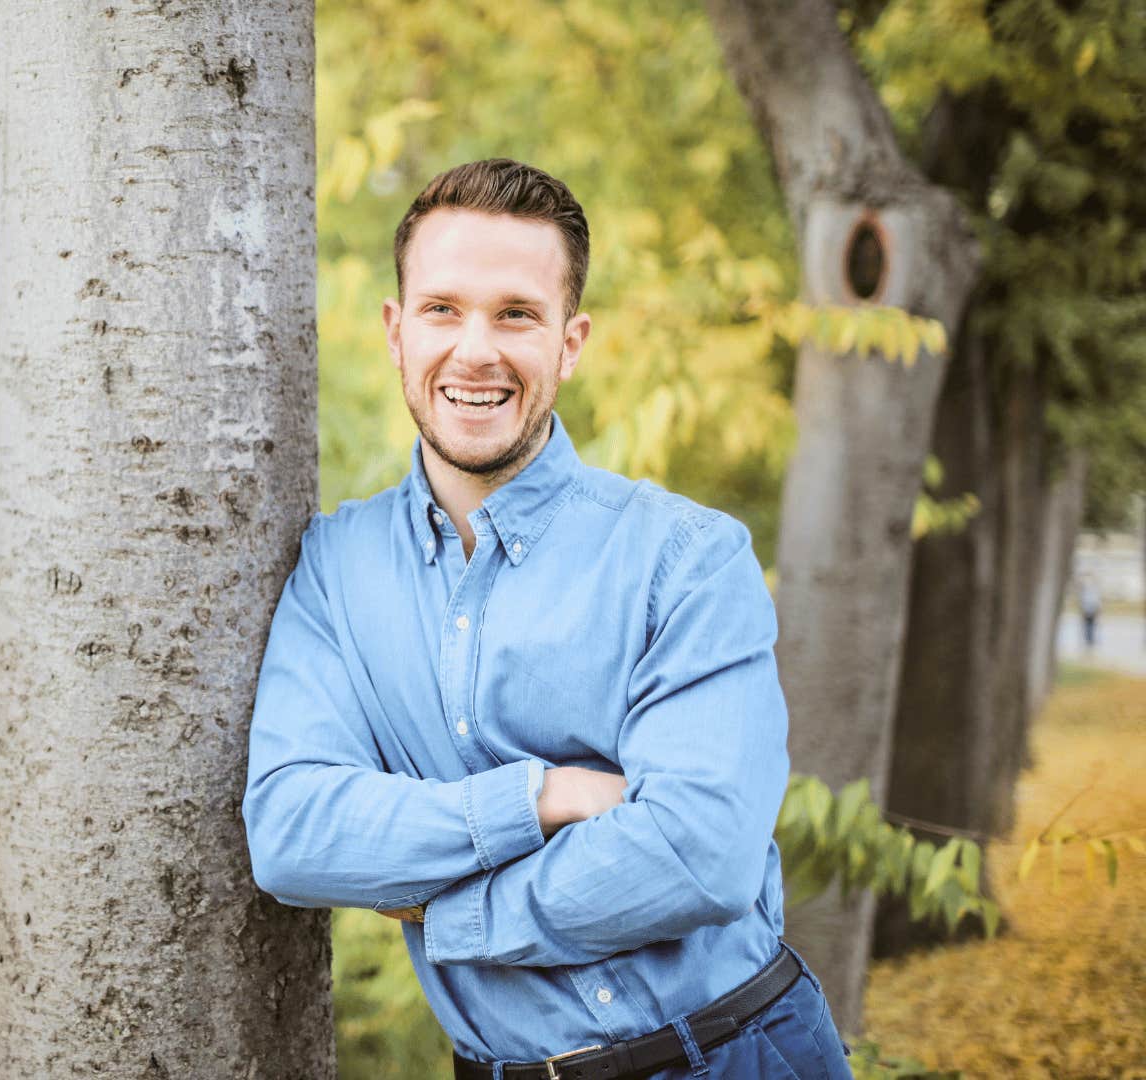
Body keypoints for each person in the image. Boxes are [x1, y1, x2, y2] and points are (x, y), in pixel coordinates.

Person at [241, 158, 855, 1079]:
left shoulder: (685, 559)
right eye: (443, 309)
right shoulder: (334, 569)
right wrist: (541, 797)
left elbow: (699, 857)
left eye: (516, 314)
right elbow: (292, 832)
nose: (475, 350)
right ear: (396, 332)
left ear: (570, 343)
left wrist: (448, 913)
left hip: (734, 1053)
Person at [1078, 574, 1101, 649]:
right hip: (1088, 610)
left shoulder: (1091, 590)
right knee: (1088, 626)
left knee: (1090, 626)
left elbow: (1096, 602)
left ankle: (1089, 640)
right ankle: (1088, 640)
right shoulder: (1088, 590)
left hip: (1091, 610)